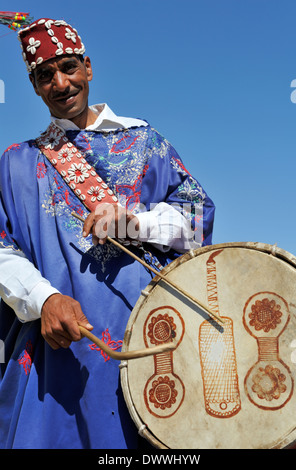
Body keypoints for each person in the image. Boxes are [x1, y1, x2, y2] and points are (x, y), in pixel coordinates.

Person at [0, 18, 215, 449]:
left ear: (89, 68)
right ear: (35, 85)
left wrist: (135, 222)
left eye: (69, 67)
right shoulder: (16, 163)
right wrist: (45, 299)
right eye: (46, 75)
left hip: (153, 342)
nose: (61, 83)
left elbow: (197, 219)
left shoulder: (147, 141)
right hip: (61, 348)